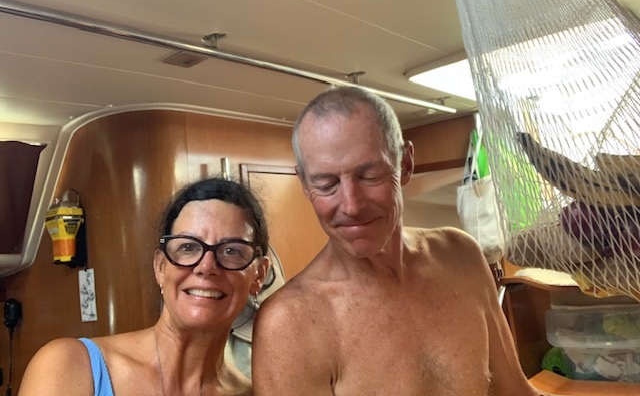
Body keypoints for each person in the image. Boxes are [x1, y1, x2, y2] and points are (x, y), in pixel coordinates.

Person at [252, 86, 538, 395]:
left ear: (405, 164)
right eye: (326, 184)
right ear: (305, 184)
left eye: (369, 176)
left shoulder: (461, 255)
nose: (351, 205)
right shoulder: (290, 324)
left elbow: (514, 391)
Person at [19, 177, 270, 396]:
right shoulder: (68, 366)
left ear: (258, 275)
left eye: (231, 251)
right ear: (160, 267)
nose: (206, 266)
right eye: (188, 247)